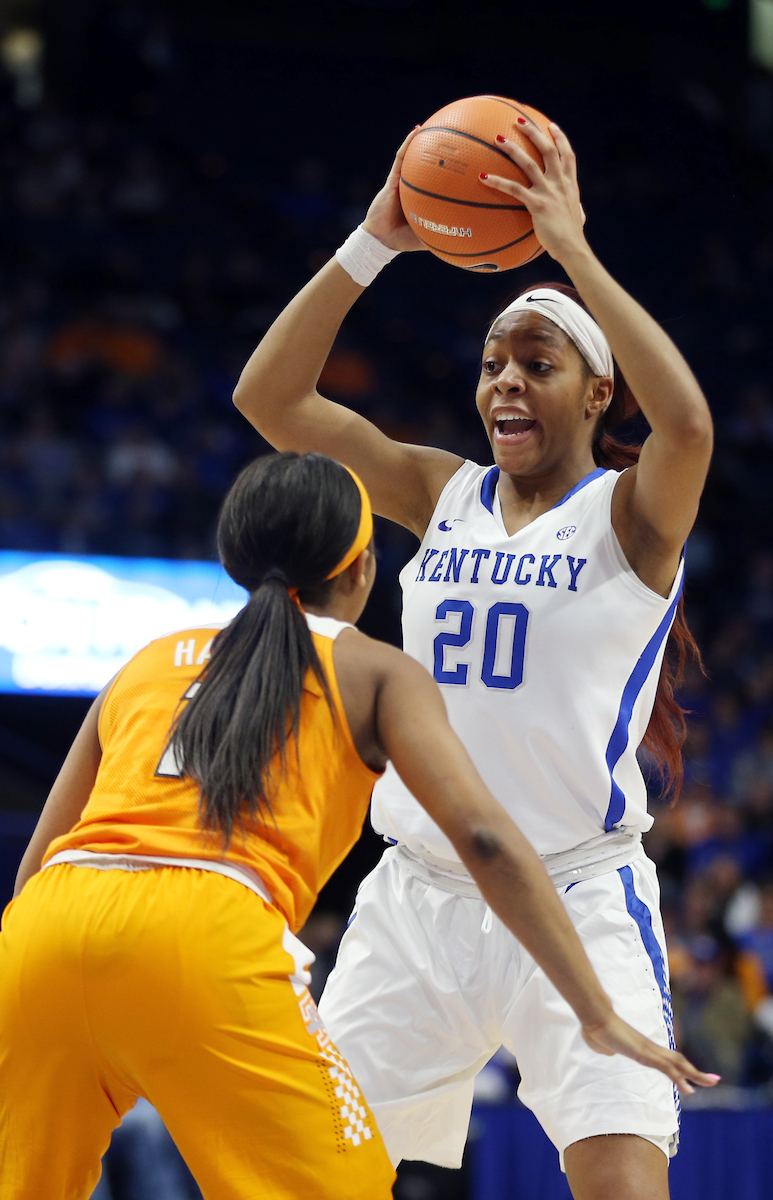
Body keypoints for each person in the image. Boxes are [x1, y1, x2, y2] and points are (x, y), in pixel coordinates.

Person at [0, 452, 713, 1200]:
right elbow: (485, 839)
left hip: (42, 929)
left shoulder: (144, 662)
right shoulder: (372, 669)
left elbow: (37, 862)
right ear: (362, 567)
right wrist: (594, 1009)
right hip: (203, 929)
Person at [232, 116, 715, 1200]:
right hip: (418, 898)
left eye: (534, 365)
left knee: (624, 1190)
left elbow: (684, 426)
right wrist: (373, 240)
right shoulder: (437, 490)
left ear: (594, 394)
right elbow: (268, 401)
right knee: (302, 1180)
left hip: (576, 894)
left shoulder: (628, 518)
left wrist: (571, 251)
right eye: (491, 363)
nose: (502, 382)